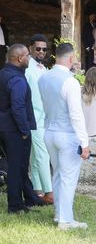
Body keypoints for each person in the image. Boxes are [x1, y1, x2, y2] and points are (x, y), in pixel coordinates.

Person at [39, 43, 90, 230]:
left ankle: (59, 214)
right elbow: (76, 114)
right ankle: (65, 220)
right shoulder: (70, 81)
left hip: (49, 132)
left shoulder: (43, 78)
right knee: (68, 178)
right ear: (70, 59)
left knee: (58, 175)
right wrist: (84, 142)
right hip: (67, 134)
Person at [0, 44, 43, 213]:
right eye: (27, 56)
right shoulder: (17, 79)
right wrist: (25, 131)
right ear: (19, 59)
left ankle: (31, 197)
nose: (29, 58)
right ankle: (16, 205)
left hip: (4, 128)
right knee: (17, 168)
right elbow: (18, 107)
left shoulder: (3, 74)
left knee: (18, 166)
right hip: (15, 130)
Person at [25, 34, 53, 204]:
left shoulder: (43, 68)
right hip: (34, 119)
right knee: (42, 155)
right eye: (38, 49)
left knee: (37, 156)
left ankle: (37, 190)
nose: (41, 52)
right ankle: (49, 192)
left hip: (44, 118)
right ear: (30, 48)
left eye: (44, 49)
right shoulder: (28, 68)